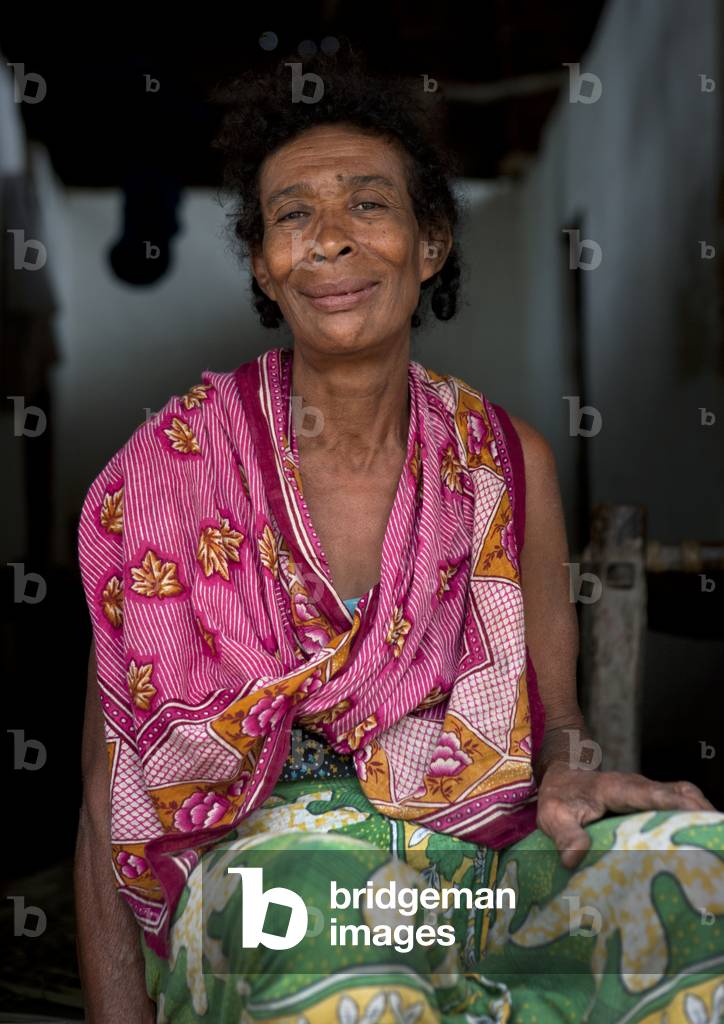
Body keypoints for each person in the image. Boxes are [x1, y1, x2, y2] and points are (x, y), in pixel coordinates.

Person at [74, 48, 724, 1024]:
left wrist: (570, 772)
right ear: (262, 263)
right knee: (356, 969)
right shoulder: (171, 468)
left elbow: (557, 721)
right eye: (293, 215)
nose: (331, 240)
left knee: (701, 875)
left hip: (467, 845)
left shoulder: (505, 460)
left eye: (368, 205)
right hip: (266, 875)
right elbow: (109, 794)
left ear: (431, 242)